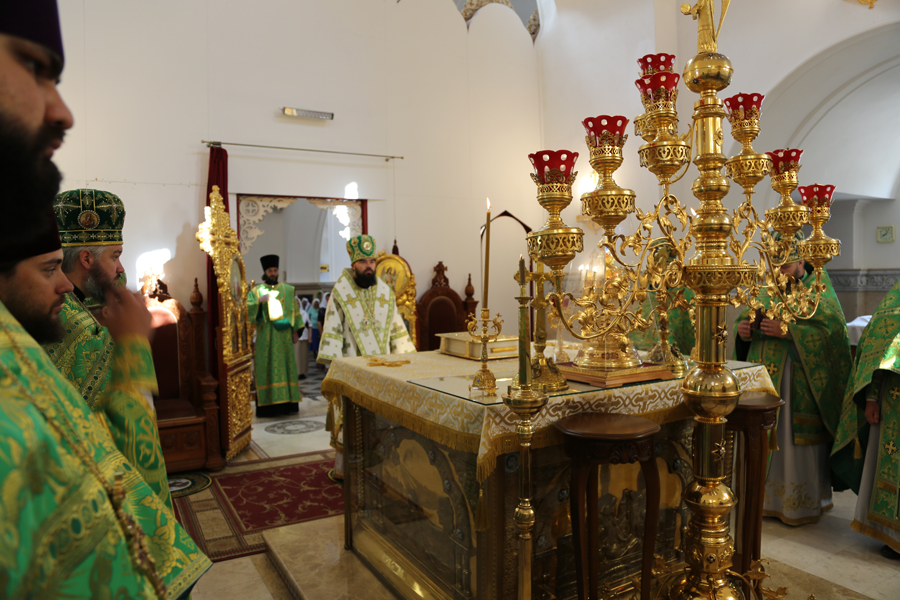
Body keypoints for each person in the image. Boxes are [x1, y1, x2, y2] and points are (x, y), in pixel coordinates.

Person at [0, 5, 210, 596]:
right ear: (87, 257)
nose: (62, 111)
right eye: (33, 66)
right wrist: (133, 348)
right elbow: (116, 436)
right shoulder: (56, 321)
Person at [43, 188, 172, 508]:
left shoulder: (77, 306)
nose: (120, 268)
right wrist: (134, 340)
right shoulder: (74, 323)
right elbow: (129, 417)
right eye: (115, 256)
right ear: (86, 259)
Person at [734, 233, 851, 525]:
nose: (779, 273)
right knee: (760, 435)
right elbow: (743, 322)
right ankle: (759, 500)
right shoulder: (766, 289)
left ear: (801, 262)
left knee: (790, 443)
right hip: (761, 381)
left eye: (784, 267)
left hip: (797, 385)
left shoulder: (818, 291)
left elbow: (832, 335)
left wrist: (790, 332)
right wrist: (743, 332)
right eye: (774, 267)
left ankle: (798, 506)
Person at [318, 235, 416, 479]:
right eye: (363, 262)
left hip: (382, 369)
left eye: (372, 261)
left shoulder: (384, 291)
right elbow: (333, 330)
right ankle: (343, 470)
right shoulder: (341, 292)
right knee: (348, 419)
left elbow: (396, 328)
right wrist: (335, 369)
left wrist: (406, 361)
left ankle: (380, 469)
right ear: (354, 264)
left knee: (379, 420)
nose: (369, 266)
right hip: (351, 368)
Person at [831, 277, 900, 559]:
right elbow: (876, 349)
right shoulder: (895, 299)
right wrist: (871, 397)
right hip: (892, 400)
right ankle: (892, 534)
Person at [247, 254, 304, 417]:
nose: (273, 273)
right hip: (266, 336)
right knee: (267, 368)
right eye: (270, 271)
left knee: (286, 367)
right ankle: (268, 406)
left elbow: (294, 311)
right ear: (265, 272)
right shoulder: (257, 291)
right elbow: (247, 310)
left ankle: (288, 405)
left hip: (284, 336)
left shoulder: (287, 290)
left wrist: (296, 331)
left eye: (275, 270)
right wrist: (259, 301)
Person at [296, 295, 311, 380]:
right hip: (295, 337)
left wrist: (310, 337)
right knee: (296, 355)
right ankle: (297, 372)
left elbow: (309, 325)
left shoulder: (304, 313)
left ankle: (302, 372)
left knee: (303, 355)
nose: (297, 304)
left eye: (298, 303)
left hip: (304, 336)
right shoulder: (290, 313)